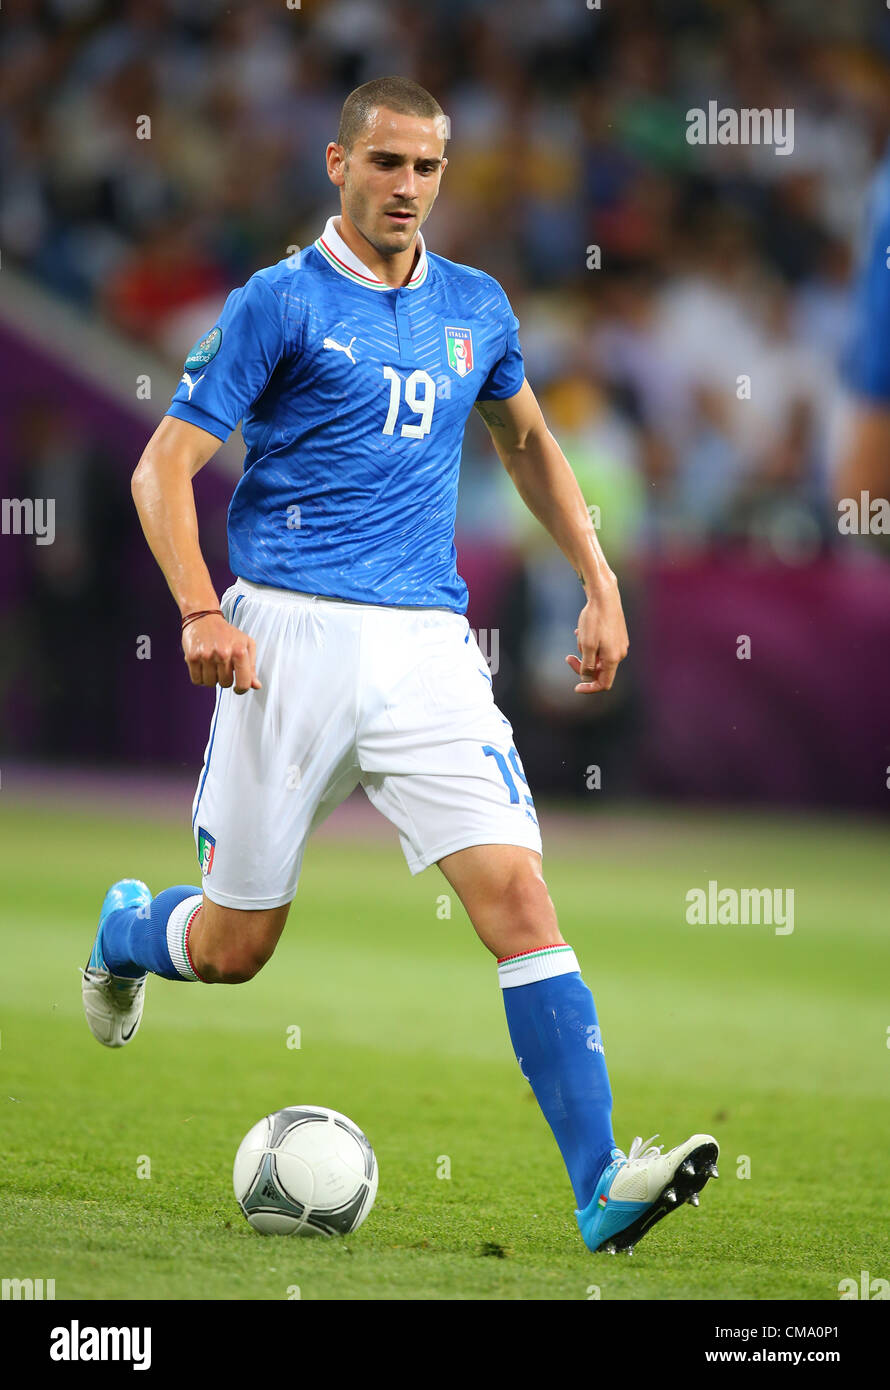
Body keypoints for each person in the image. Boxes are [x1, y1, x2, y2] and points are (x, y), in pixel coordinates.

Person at [82, 76, 717, 1255]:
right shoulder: (276, 301)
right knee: (234, 949)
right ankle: (128, 933)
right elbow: (159, 471)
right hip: (285, 639)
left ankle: (600, 1185)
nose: (407, 188)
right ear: (338, 164)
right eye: (385, 164)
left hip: (429, 646)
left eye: (426, 168)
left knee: (522, 903)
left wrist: (598, 578)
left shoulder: (475, 305)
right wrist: (195, 609)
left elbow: (526, 440)